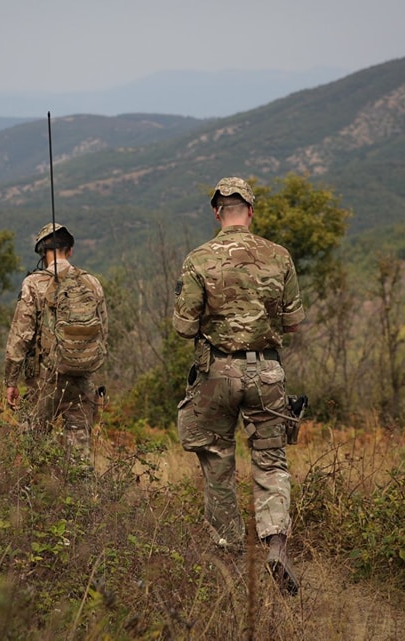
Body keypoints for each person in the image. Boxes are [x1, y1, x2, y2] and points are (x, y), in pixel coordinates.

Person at [173, 176, 305, 596]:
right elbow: (294, 322)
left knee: (217, 458)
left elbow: (183, 327)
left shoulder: (198, 259)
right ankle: (276, 543)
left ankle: (229, 551)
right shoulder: (279, 256)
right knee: (271, 460)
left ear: (217, 212)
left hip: (217, 373)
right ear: (250, 210)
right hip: (266, 372)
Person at [3, 222, 108, 464]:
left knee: (32, 446)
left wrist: (11, 381)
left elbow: (21, 335)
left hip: (45, 379)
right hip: (83, 377)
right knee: (79, 454)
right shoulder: (92, 282)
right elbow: (103, 332)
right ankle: (79, 488)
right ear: (70, 250)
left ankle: (39, 487)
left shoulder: (34, 284)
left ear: (42, 253)